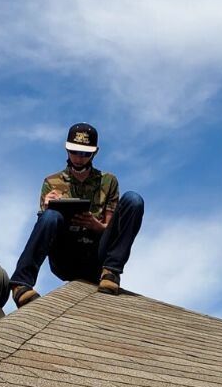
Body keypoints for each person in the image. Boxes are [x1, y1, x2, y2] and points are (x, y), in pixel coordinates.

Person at [10, 122, 144, 307]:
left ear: (94, 152)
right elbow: (46, 227)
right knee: (49, 217)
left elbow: (109, 226)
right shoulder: (51, 182)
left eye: (85, 153)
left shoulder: (108, 181)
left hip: (97, 257)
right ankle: (20, 284)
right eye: (75, 152)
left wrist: (96, 226)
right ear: (67, 149)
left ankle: (111, 272)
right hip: (66, 257)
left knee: (133, 200)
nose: (79, 158)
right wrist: (48, 206)